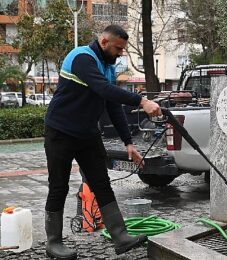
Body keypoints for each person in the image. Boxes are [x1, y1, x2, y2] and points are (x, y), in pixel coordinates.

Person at [43, 25, 161, 259]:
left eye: (123, 49)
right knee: (59, 186)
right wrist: (141, 101)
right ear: (104, 42)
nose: (121, 53)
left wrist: (128, 142)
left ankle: (120, 237)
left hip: (87, 134)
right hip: (60, 132)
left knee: (102, 183)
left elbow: (112, 104)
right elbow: (102, 89)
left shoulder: (107, 66)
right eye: (118, 48)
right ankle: (53, 242)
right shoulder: (81, 58)